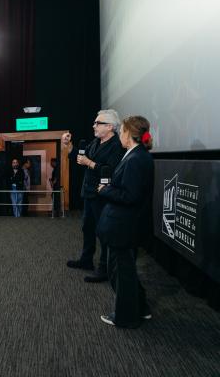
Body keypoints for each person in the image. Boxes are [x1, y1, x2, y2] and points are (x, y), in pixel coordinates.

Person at [96, 116, 154, 328]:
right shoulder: (137, 156)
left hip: (124, 226)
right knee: (124, 270)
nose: (119, 135)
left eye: (121, 132)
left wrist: (106, 190)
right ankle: (141, 308)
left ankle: (126, 317)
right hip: (125, 225)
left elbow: (130, 196)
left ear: (128, 134)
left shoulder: (136, 159)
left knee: (121, 273)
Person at [64, 109, 125, 283]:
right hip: (89, 193)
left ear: (110, 127)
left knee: (103, 232)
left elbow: (112, 170)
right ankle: (86, 260)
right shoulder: (95, 142)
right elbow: (79, 158)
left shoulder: (116, 145)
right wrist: (69, 145)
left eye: (98, 123)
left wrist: (90, 163)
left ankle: (104, 268)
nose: (94, 126)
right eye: (94, 123)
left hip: (103, 195)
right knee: (87, 227)